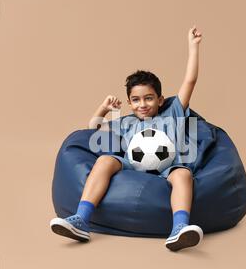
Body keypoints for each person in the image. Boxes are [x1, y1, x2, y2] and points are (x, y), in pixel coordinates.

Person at [50, 26, 203, 251]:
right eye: (136, 100)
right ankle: (82, 219)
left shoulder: (173, 113)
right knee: (105, 160)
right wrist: (103, 108)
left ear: (160, 100)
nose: (143, 104)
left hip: (167, 167)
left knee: (183, 174)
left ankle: (179, 228)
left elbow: (190, 81)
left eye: (149, 98)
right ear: (130, 103)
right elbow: (93, 129)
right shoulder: (127, 122)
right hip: (133, 165)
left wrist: (193, 47)